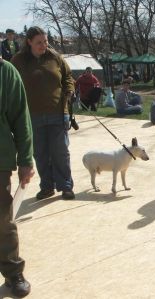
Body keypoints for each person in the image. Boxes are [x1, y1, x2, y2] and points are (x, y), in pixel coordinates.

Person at [11, 26, 75, 200]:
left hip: (57, 112)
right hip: (31, 116)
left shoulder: (55, 57)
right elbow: (11, 81)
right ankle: (46, 186)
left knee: (60, 151)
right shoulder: (18, 60)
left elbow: (68, 77)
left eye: (45, 41)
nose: (43, 45)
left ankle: (66, 186)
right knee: (40, 153)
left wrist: (69, 91)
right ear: (29, 42)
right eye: (39, 42)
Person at [0, 58, 34, 297]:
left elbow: (21, 118)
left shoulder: (5, 71)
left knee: (2, 220)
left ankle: (13, 272)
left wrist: (25, 160)